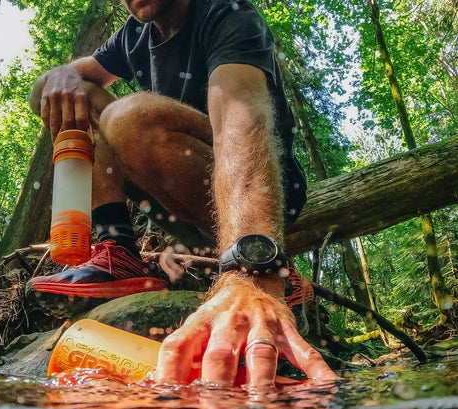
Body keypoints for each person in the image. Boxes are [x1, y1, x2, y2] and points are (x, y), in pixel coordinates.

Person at [28, 0, 336, 386]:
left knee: (127, 118)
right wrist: (60, 74)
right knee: (84, 96)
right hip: (181, 198)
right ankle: (117, 250)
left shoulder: (228, 16)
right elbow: (43, 90)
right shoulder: (133, 36)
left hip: (264, 193)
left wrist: (254, 269)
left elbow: (239, 122)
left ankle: (273, 268)